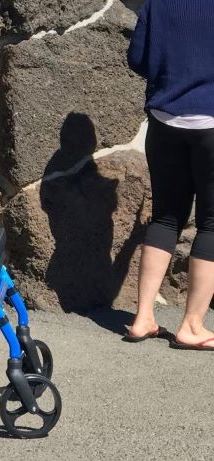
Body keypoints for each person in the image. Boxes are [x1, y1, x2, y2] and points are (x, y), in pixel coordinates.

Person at [125, 0, 214, 350]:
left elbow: (137, 59)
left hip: (164, 120)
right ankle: (192, 325)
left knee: (164, 216)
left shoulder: (158, 4)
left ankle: (142, 317)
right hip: (211, 121)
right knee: (211, 223)